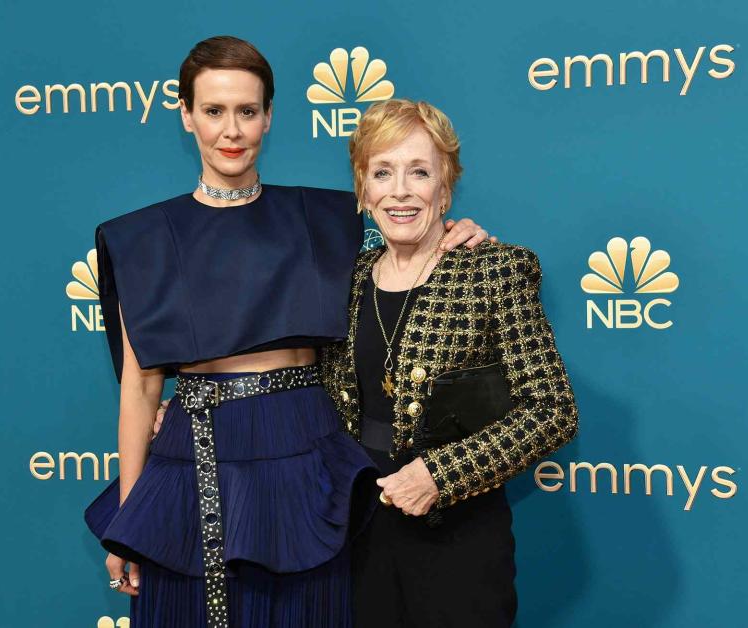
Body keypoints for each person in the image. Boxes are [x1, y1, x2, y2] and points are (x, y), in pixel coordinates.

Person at [82, 37, 492, 627]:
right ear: (185, 114)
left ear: (268, 117)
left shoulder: (330, 219)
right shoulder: (139, 241)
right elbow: (139, 391)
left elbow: (410, 239)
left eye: (247, 111)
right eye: (214, 110)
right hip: (192, 455)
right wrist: (128, 520)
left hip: (304, 451)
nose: (231, 130)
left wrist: (463, 236)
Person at [320, 99, 579, 627]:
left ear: (446, 186)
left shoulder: (492, 270)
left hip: (459, 534)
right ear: (362, 188)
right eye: (382, 172)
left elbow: (553, 409)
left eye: (420, 172)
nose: (400, 191)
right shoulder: (343, 280)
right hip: (356, 531)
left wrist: (441, 474)